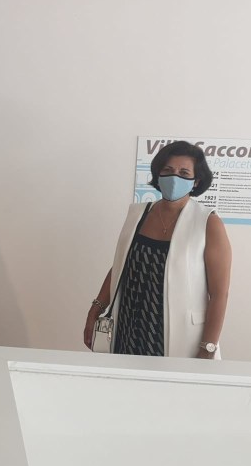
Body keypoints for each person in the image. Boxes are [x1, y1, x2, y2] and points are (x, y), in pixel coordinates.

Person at [83, 140, 232, 358]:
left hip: (179, 335)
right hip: (128, 326)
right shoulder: (137, 214)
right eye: (168, 170)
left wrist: (208, 347)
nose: (174, 178)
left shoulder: (208, 223)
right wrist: (96, 307)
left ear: (196, 181)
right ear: (158, 174)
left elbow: (219, 294)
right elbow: (120, 266)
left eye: (184, 173)